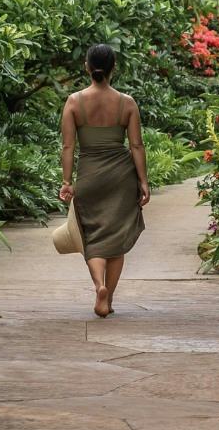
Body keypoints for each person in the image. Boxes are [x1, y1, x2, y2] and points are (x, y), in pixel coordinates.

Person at [59, 43, 149, 318]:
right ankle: (107, 298)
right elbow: (136, 145)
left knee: (94, 237)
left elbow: (68, 147)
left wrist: (66, 181)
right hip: (121, 177)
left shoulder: (74, 102)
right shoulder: (127, 103)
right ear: (114, 68)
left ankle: (99, 287)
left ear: (87, 67)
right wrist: (143, 181)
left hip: (89, 174)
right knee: (116, 238)